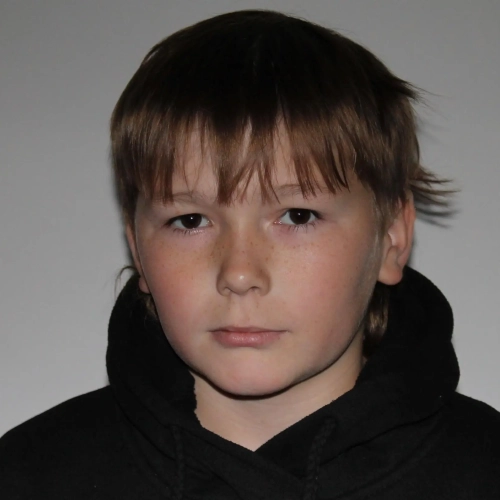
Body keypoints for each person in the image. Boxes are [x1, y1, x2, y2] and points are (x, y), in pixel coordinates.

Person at [1, 9, 499, 500]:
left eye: (298, 216)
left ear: (392, 236)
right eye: (190, 221)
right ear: (137, 245)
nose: (239, 274)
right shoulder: (29, 475)